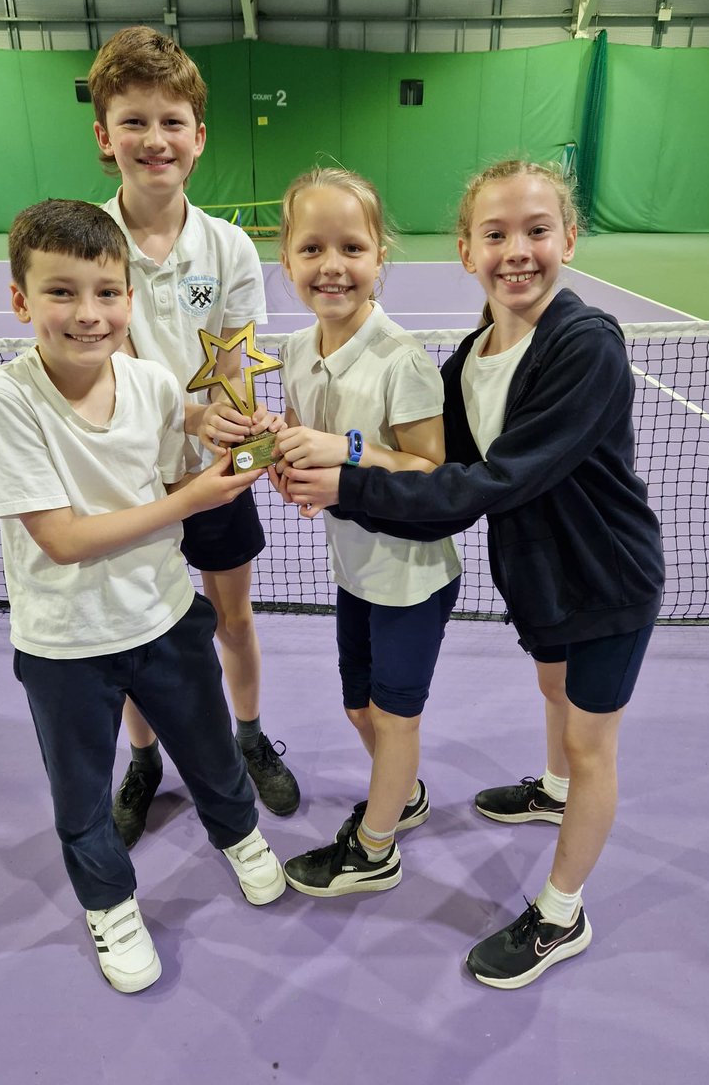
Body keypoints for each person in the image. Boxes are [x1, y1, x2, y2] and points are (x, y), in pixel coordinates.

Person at [277, 160, 665, 986]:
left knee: (593, 744)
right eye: (496, 235)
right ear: (465, 250)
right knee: (552, 694)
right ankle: (554, 790)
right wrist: (334, 476)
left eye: (536, 231)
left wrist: (346, 481)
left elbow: (488, 485)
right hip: (536, 573)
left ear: (568, 237)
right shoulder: (471, 357)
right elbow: (434, 474)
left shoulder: (585, 345)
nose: (517, 252)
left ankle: (562, 914)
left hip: (605, 579)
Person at [0, 200, 286, 993]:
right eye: (62, 293)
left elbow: (182, 463)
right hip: (64, 645)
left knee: (212, 750)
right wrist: (194, 500)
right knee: (81, 797)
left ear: (130, 301)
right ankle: (110, 906)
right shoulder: (2, 402)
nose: (88, 313)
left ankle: (240, 836)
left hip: (166, 617)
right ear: (21, 301)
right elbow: (64, 539)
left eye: (107, 293)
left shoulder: (149, 383)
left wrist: (252, 446)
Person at [86, 26, 300, 842]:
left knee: (232, 619)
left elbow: (239, 366)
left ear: (199, 137)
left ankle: (248, 736)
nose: (154, 139)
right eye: (133, 121)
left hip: (217, 476)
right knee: (137, 633)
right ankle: (144, 758)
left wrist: (243, 432)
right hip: (129, 481)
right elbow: (110, 371)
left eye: (172, 120)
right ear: (105, 137)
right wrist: (191, 415)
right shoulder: (89, 243)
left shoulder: (231, 248)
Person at [270, 167, 462, 897]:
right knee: (359, 705)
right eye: (311, 248)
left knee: (392, 713)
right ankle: (401, 792)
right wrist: (284, 457)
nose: (332, 266)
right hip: (353, 567)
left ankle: (376, 848)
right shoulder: (293, 353)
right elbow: (304, 445)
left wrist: (346, 452)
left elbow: (429, 470)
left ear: (380, 257)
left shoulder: (402, 362)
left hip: (411, 576)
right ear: (286, 260)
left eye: (351, 247)